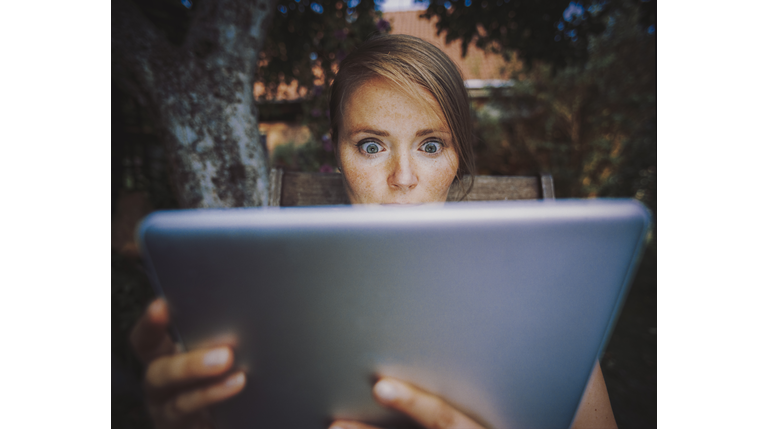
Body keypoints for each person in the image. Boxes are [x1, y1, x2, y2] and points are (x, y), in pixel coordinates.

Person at [130, 34, 618, 429]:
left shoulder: (538, 304)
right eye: (370, 146)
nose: (403, 177)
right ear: (339, 156)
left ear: (458, 160)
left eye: (430, 145)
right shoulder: (271, 304)